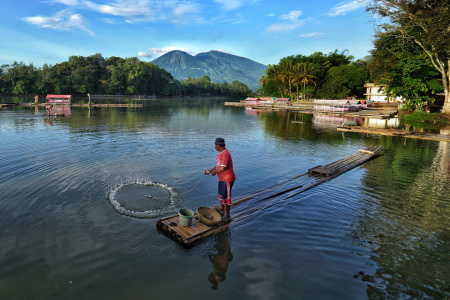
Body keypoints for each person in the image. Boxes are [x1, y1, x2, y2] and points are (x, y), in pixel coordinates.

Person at [204, 137, 236, 222]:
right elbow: (218, 166)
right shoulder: (220, 153)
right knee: (221, 194)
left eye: (215, 145)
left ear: (219, 145)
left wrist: (214, 172)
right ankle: (221, 208)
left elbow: (222, 169)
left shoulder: (225, 154)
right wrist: (210, 171)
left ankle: (227, 215)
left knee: (226, 196)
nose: (215, 147)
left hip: (227, 179)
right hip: (222, 178)